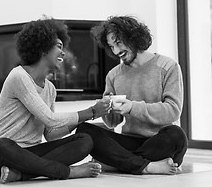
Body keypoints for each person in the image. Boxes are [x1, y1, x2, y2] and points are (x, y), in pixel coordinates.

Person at [0, 17, 111, 184]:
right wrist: (92, 111)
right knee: (2, 145)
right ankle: (67, 172)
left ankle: (22, 174)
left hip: (31, 153)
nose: (63, 53)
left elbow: (50, 134)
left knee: (84, 140)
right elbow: (49, 118)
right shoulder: (19, 76)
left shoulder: (50, 89)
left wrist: (88, 116)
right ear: (43, 48)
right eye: (59, 46)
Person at [76, 15, 188, 175]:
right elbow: (112, 123)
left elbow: (173, 111)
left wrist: (132, 108)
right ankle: (147, 166)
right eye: (111, 46)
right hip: (129, 142)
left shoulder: (168, 66)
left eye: (118, 43)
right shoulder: (113, 75)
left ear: (133, 37)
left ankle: (117, 164)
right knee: (85, 129)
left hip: (159, 141)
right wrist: (106, 107)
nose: (115, 51)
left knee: (177, 135)